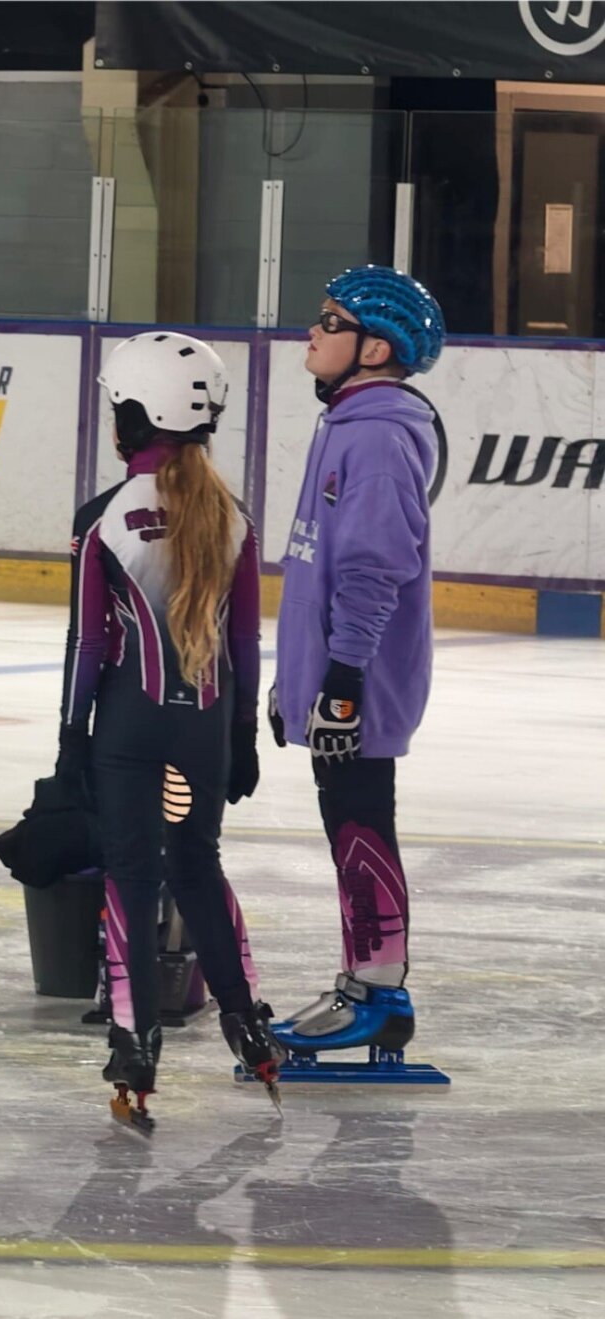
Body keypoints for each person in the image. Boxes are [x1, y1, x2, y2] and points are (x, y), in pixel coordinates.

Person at [57, 331, 285, 1132]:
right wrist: (244, 736)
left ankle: (134, 1044)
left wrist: (69, 735)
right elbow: (247, 643)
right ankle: (248, 1024)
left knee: (130, 875)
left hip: (127, 730)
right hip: (206, 731)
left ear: (128, 418)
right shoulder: (234, 518)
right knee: (196, 865)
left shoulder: (103, 520)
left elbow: (88, 644)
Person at [267, 265, 446, 1055]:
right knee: (348, 824)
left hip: (360, 682)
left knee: (363, 824)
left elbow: (375, 566)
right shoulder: (349, 419)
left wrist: (341, 684)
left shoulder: (376, 433)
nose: (314, 330)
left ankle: (380, 992)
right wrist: (296, 679)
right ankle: (363, 980)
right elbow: (321, 568)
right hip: (337, 677)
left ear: (375, 348)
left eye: (331, 320)